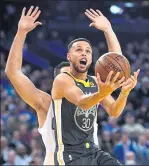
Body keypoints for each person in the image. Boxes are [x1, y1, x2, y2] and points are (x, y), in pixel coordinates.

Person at [51, 8, 140, 165]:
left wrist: (124, 93)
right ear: (68, 56)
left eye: (88, 51)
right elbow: (82, 102)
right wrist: (101, 93)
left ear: (92, 58)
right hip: (70, 154)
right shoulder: (62, 79)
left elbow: (114, 111)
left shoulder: (94, 81)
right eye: (78, 50)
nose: (84, 53)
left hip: (93, 151)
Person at [5, 6, 70, 165]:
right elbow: (13, 72)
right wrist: (21, 33)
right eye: (64, 76)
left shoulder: (88, 103)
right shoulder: (48, 104)